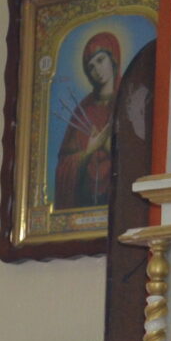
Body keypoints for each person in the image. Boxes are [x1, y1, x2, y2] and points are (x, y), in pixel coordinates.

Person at [52, 31, 119, 210]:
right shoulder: (84, 111)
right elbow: (64, 166)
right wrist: (89, 151)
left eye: (100, 60)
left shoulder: (127, 101)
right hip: (86, 200)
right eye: (90, 67)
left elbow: (140, 156)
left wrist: (108, 147)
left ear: (113, 58)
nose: (97, 70)